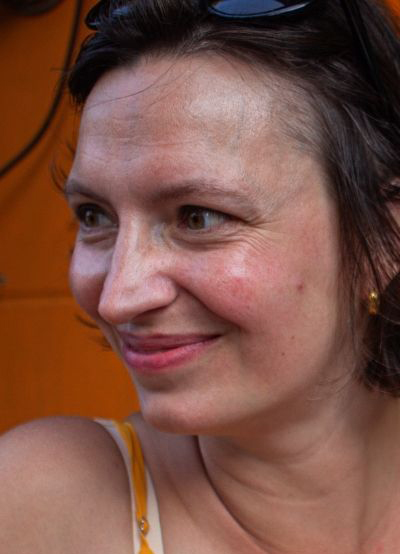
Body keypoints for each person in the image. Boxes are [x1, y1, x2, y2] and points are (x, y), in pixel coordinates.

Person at [1, 0, 400, 552]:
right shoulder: (39, 507)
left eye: (198, 217)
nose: (117, 298)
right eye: (94, 216)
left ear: (383, 235)